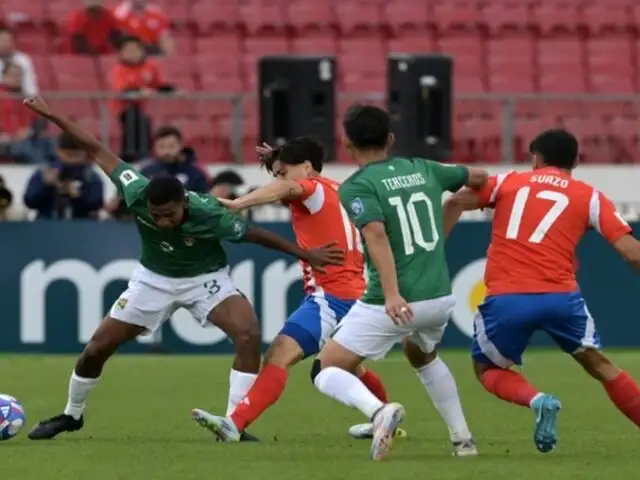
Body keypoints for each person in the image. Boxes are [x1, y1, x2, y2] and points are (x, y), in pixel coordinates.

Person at [22, 96, 344, 441]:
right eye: (155, 214)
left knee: (248, 334)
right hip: (153, 280)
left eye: (169, 215)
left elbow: (256, 235)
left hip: (206, 280)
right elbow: (95, 147)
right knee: (97, 348)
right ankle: (72, 415)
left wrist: (304, 254)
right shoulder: (135, 188)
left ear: (183, 204)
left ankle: (233, 424)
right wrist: (54, 114)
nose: (162, 221)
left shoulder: (206, 211)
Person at [190, 137, 404, 442]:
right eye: (276, 174)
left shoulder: (312, 188)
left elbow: (292, 186)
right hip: (356, 293)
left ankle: (234, 424)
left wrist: (239, 203)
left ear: (306, 168)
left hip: (331, 297)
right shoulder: (337, 188)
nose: (279, 180)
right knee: (348, 366)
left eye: (283, 172)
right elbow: (291, 180)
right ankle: (385, 417)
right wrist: (278, 158)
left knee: (279, 355)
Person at [442, 129, 640, 453]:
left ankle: (538, 400)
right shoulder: (590, 196)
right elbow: (631, 252)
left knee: (487, 369)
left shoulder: (507, 182)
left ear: (536, 158)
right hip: (562, 299)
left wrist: (434, 253)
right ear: (575, 161)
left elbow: (454, 201)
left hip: (507, 298)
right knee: (602, 366)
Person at [310, 104, 488, 460]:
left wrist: (391, 294)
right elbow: (480, 178)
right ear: (390, 139)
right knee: (422, 356)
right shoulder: (423, 168)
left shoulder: (357, 186)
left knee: (326, 368)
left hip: (391, 301)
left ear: (345, 142)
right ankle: (463, 440)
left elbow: (375, 234)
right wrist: (455, 205)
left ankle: (379, 412)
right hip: (438, 298)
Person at [111, 35, 167, 163]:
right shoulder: (120, 69)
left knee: (145, 122)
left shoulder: (150, 66)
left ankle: (148, 155)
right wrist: (140, 92)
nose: (133, 54)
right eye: (128, 50)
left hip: (146, 108)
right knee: (134, 120)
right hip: (125, 109)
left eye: (135, 49)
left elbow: (159, 84)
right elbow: (122, 89)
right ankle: (129, 157)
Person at [23, 133, 104, 219]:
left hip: (81, 226)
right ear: (58, 151)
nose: (72, 160)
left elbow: (97, 205)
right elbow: (29, 202)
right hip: (47, 225)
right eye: (68, 155)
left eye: (77, 156)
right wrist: (47, 187)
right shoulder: (44, 172)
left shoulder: (90, 176)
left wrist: (78, 197)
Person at [0, 63, 50, 164]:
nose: (17, 78)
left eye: (19, 75)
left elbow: (40, 120)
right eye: (13, 75)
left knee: (50, 144)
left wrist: (29, 131)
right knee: (31, 152)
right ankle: (42, 172)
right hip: (5, 141)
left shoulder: (26, 97)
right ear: (4, 76)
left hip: (26, 140)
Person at [0, 27, 38, 96]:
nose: (5, 44)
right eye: (2, 40)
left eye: (8, 40)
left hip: (19, 98)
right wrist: (4, 82)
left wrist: (33, 99)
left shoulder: (22, 60)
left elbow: (29, 84)